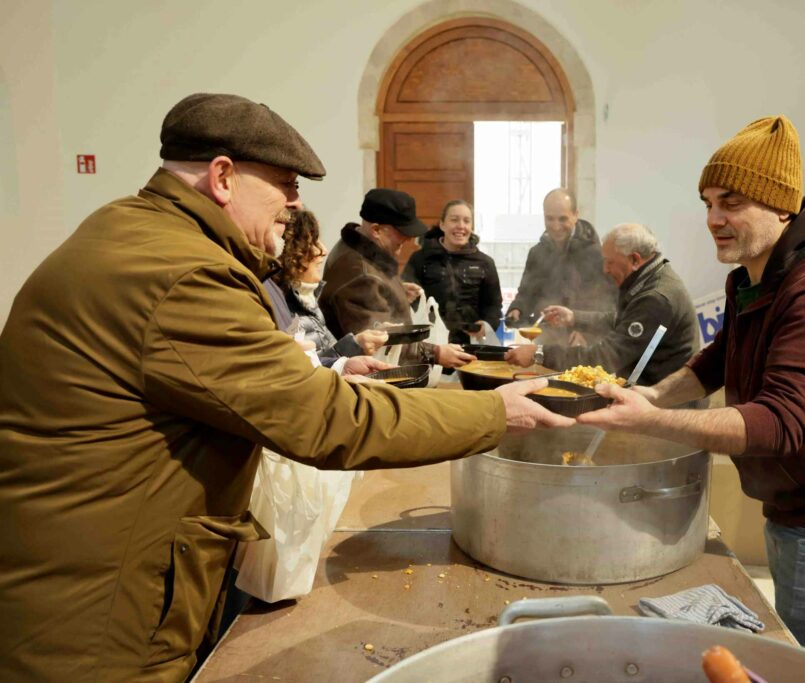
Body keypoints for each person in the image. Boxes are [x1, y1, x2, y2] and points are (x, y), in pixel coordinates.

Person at [0, 93, 572, 682]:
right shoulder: (181, 275)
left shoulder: (136, 232)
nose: (295, 205)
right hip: (98, 618)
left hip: (93, 575)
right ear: (223, 176)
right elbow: (321, 418)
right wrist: (492, 412)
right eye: (285, 184)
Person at [573, 116, 805, 673]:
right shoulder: (751, 277)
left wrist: (646, 422)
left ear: (781, 206)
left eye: (731, 202)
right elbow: (715, 361)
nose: (713, 219)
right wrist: (652, 395)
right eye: (708, 202)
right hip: (799, 500)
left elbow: (780, 424)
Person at [505, 223, 699, 386]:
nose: (605, 270)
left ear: (634, 259)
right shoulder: (652, 277)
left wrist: (539, 354)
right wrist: (574, 317)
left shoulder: (656, 298)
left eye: (609, 262)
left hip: (667, 403)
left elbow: (606, 357)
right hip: (654, 392)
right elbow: (620, 320)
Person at [318, 189, 476, 368]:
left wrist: (395, 291)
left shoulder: (362, 249)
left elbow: (374, 288)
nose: (409, 238)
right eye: (403, 231)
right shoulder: (359, 275)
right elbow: (380, 343)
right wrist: (436, 353)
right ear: (376, 229)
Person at [265, 209, 387, 364]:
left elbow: (325, 354)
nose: (323, 250)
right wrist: (355, 345)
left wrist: (360, 342)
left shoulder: (306, 299)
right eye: (312, 243)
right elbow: (309, 369)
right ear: (290, 252)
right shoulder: (284, 309)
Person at [505, 188, 617, 338]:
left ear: (576, 215)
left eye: (563, 219)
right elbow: (527, 292)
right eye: (549, 219)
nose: (555, 226)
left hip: (583, 340)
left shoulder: (597, 254)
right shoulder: (536, 253)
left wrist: (587, 332)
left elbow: (610, 304)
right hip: (546, 337)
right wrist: (517, 309)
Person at [402, 199, 502, 344]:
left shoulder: (485, 262)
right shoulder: (421, 258)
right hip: (431, 343)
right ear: (442, 224)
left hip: (471, 343)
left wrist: (487, 325)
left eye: (467, 221)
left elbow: (494, 304)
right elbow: (407, 301)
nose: (461, 226)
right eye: (454, 220)